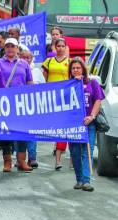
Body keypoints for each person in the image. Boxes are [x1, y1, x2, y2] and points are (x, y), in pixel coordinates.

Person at [0, 38, 33, 172]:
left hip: (21, 104)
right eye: (8, 46)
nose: (10, 49)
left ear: (18, 49)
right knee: (6, 133)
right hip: (5, 103)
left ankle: (22, 161)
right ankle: (7, 162)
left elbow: (29, 82)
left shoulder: (24, 64)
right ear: (4, 49)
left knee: (22, 133)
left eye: (13, 46)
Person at [68, 57, 104, 192]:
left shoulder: (92, 83)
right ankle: (79, 179)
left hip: (89, 123)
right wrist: (73, 84)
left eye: (78, 67)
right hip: (73, 125)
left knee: (86, 151)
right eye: (73, 68)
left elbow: (98, 100)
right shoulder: (67, 84)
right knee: (75, 152)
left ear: (83, 69)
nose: (76, 70)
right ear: (70, 71)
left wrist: (92, 116)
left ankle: (86, 181)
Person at [42, 38, 71, 170]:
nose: (60, 48)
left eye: (62, 46)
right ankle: (58, 161)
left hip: (66, 99)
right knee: (58, 127)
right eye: (57, 46)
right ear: (54, 48)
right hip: (52, 99)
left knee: (67, 128)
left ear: (65, 48)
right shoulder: (48, 62)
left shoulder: (70, 63)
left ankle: (71, 161)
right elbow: (44, 79)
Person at [20, 50, 45, 168]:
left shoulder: (37, 72)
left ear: (32, 58)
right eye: (23, 57)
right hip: (19, 107)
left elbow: (44, 88)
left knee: (32, 133)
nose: (26, 60)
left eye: (28, 57)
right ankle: (21, 159)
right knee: (20, 133)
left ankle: (32, 157)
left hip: (33, 107)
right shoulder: (17, 70)